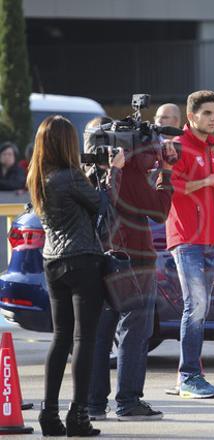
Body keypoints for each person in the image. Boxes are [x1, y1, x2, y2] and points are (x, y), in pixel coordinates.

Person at [27, 115, 124, 436]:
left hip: (52, 262)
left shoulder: (39, 177)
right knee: (85, 339)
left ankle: (49, 414)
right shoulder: (70, 177)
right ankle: (78, 415)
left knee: (61, 338)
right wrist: (113, 173)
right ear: (67, 143)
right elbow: (102, 205)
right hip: (82, 260)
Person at [87, 121, 176, 420]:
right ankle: (128, 401)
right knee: (135, 331)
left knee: (101, 333)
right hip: (134, 261)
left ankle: (94, 403)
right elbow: (160, 209)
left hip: (100, 258)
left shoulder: (93, 174)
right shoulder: (131, 175)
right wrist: (166, 170)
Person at [166, 90, 214, 398]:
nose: (212, 118)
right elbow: (170, 186)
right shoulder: (179, 146)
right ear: (192, 117)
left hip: (209, 239)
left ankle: (187, 376)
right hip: (187, 239)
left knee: (200, 309)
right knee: (195, 306)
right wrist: (206, 182)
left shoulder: (208, 148)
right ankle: (190, 376)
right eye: (207, 113)